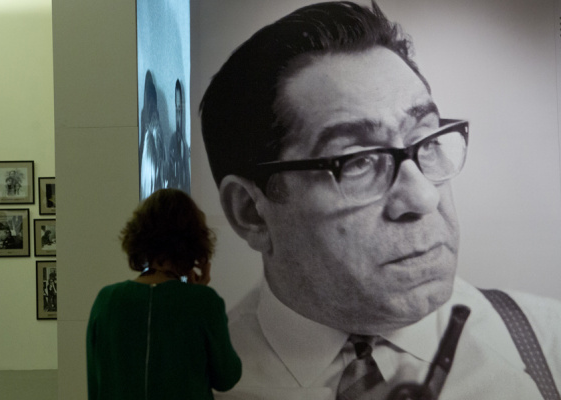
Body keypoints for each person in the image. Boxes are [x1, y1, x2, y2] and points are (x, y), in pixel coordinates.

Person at [199, 2, 561, 399]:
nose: (422, 196)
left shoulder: (548, 345)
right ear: (250, 213)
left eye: (427, 140)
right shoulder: (190, 383)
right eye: (358, 161)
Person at [86, 188, 242, 400]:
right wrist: (199, 294)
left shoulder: (107, 300)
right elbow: (226, 377)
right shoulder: (203, 302)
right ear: (194, 242)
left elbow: (96, 384)